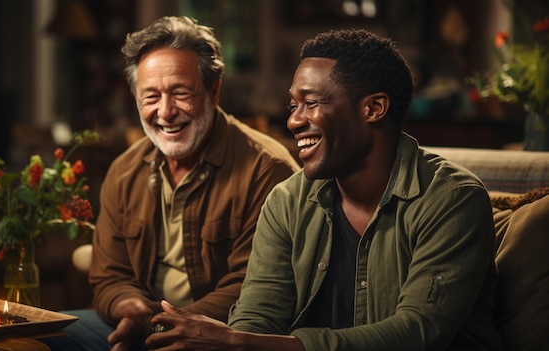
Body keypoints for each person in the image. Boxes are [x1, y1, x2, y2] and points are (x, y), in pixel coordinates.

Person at [144, 28, 504, 350]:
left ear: (374, 108)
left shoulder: (452, 200)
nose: (293, 120)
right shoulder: (287, 201)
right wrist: (236, 339)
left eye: (311, 103)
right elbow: (257, 316)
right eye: (293, 105)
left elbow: (419, 332)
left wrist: (237, 341)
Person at [43, 16, 299, 351]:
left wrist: (170, 328)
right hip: (142, 328)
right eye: (150, 96)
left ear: (214, 89)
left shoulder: (268, 170)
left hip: (225, 335)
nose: (165, 112)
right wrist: (130, 308)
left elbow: (255, 287)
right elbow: (109, 274)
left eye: (180, 92)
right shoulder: (124, 171)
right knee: (39, 339)